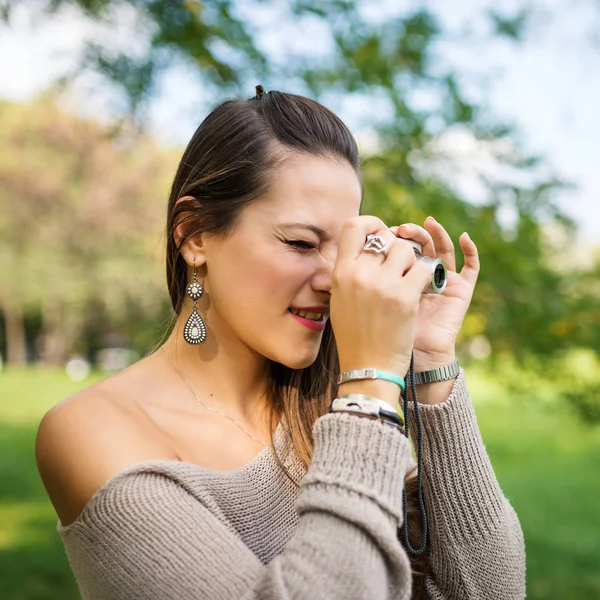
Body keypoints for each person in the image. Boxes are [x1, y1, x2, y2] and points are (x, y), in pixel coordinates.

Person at [35, 86, 526, 599]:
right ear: (194, 234)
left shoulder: (326, 410)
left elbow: (490, 589)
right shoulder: (90, 431)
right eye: (300, 243)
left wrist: (427, 357)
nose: (335, 279)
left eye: (344, 249)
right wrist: (368, 388)